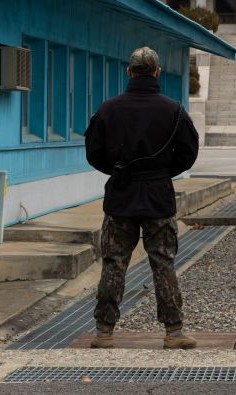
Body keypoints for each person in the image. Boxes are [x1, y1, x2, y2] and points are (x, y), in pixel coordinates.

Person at [84, 46, 200, 349]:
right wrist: (162, 172)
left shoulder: (108, 109)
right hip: (158, 197)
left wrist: (119, 171)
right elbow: (189, 153)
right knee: (163, 261)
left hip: (121, 196)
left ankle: (104, 332)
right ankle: (174, 332)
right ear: (158, 72)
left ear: (129, 72)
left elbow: (93, 153)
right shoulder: (173, 110)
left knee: (114, 262)